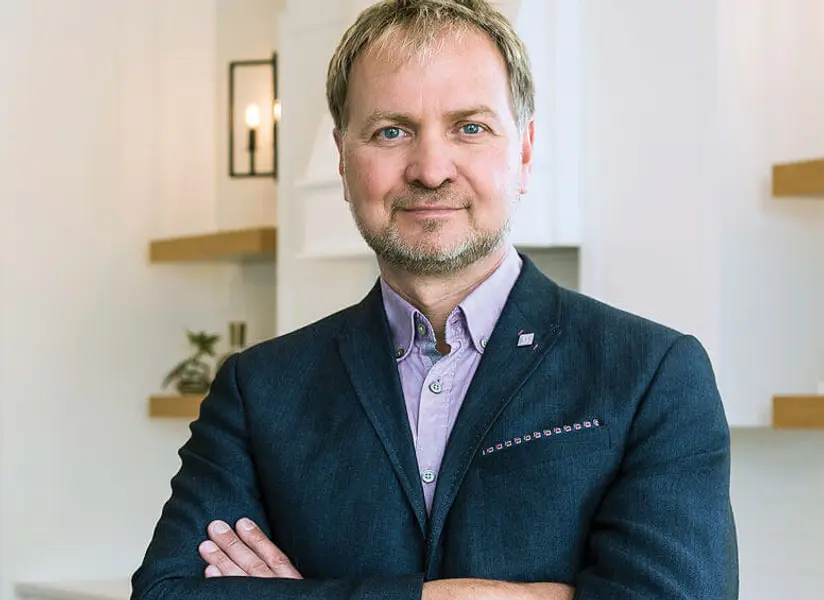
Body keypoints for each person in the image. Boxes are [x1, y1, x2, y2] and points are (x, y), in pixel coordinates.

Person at [131, 0, 739, 598]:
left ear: (523, 153)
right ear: (343, 159)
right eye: (391, 131)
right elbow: (165, 594)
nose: (429, 169)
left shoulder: (652, 374)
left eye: (470, 128)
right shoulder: (258, 389)